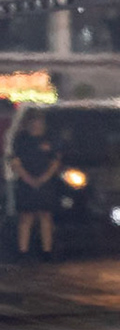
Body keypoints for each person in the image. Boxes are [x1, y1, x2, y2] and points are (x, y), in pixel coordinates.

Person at [8, 108, 58, 260]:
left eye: (40, 121)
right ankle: (23, 251)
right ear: (29, 123)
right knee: (26, 216)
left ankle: (46, 251)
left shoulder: (49, 138)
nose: (37, 124)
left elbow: (55, 161)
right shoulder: (21, 139)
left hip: (45, 183)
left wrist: (43, 178)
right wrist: (28, 179)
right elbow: (15, 162)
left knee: (45, 215)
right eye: (34, 121)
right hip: (26, 182)